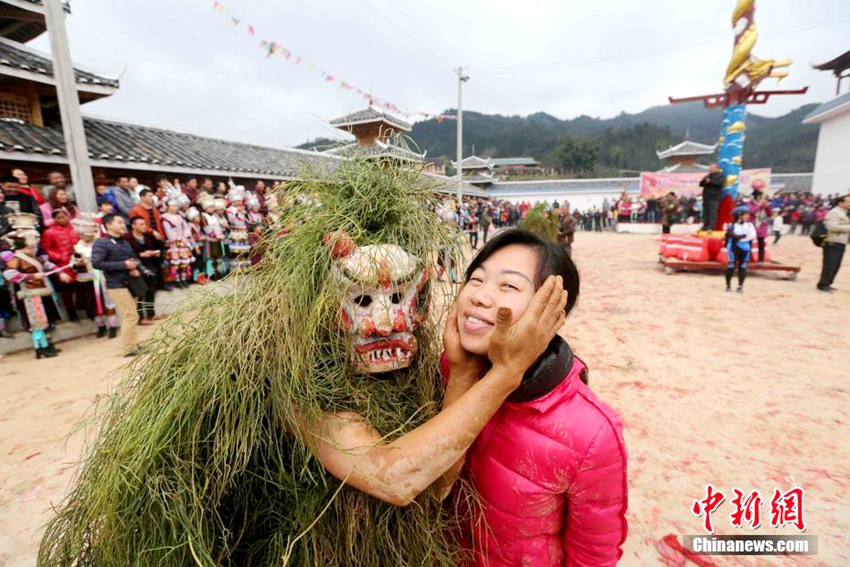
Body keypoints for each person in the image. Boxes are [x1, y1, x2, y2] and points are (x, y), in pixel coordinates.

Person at [39, 158, 566, 565]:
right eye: (361, 301)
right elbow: (396, 478)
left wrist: (466, 374)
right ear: (319, 304)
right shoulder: (298, 371)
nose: (386, 324)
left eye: (403, 299)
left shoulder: (416, 367)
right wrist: (502, 375)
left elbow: (439, 484)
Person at [441, 228, 628, 565]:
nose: (480, 297)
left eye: (508, 286)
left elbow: (593, 555)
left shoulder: (591, 432)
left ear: (552, 311)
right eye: (476, 279)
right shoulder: (445, 371)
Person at [2, 214, 62, 358]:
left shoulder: (33, 257)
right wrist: (32, 276)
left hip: (42, 291)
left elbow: (45, 264)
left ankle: (47, 344)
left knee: (45, 319)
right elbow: (9, 274)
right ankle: (40, 346)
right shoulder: (16, 259)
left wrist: (60, 269)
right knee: (36, 321)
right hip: (30, 294)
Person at [91, 214, 142, 356]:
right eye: (119, 222)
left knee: (131, 315)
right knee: (130, 315)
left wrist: (134, 267)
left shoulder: (124, 242)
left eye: (123, 222)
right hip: (116, 284)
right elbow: (97, 263)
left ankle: (133, 344)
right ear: (108, 225)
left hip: (129, 282)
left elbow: (133, 258)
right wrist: (124, 265)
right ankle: (128, 348)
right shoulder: (101, 243)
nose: (123, 225)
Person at [72, 217, 119, 338]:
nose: (85, 236)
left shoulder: (101, 244)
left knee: (107, 302)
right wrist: (77, 264)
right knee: (91, 304)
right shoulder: (77, 247)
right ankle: (101, 325)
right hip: (86, 279)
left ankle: (113, 326)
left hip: (101, 278)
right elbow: (72, 263)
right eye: (83, 234)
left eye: (87, 234)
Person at [41, 210, 81, 321]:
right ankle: (71, 312)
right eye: (59, 218)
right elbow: (46, 248)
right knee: (66, 290)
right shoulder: (49, 232)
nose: (62, 219)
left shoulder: (75, 228)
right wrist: (58, 256)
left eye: (64, 217)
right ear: (54, 219)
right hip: (62, 264)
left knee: (82, 286)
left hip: (77, 261)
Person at [126, 217, 162, 324]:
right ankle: (140, 317)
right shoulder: (127, 239)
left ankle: (151, 314)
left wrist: (156, 251)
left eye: (144, 224)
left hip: (150, 266)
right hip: (136, 268)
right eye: (141, 224)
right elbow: (127, 254)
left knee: (151, 291)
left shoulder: (148, 237)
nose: (144, 226)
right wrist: (141, 255)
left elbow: (159, 247)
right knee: (140, 293)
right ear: (133, 226)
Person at [816, 193, 850, 293]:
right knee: (830, 264)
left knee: (836, 265)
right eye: (848, 201)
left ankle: (828, 283)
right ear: (840, 203)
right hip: (832, 241)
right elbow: (831, 227)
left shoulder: (844, 213)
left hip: (841, 242)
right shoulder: (834, 212)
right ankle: (823, 284)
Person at [161, 197, 194, 288]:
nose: (176, 207)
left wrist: (185, 236)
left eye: (176, 206)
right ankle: (176, 280)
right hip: (173, 243)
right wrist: (179, 238)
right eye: (173, 205)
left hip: (183, 242)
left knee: (184, 262)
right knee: (175, 263)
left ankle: (183, 279)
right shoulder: (164, 218)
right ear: (167, 206)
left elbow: (186, 227)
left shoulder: (180, 217)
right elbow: (168, 231)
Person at [724, 206, 757, 293]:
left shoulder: (750, 225)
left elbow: (753, 235)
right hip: (733, 247)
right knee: (731, 266)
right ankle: (728, 285)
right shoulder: (731, 225)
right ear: (739, 215)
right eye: (745, 214)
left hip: (745, 248)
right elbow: (732, 235)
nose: (748, 216)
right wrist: (744, 236)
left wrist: (741, 237)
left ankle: (740, 286)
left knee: (742, 267)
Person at [699, 163, 725, 232]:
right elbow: (701, 184)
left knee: (713, 212)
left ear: (717, 168)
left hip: (714, 197)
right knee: (705, 212)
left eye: (712, 168)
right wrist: (704, 181)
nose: (710, 169)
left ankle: (712, 227)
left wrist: (710, 182)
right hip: (706, 196)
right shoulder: (708, 176)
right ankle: (705, 226)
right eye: (710, 168)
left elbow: (719, 184)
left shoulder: (721, 176)